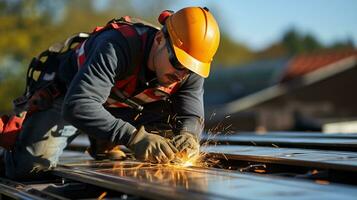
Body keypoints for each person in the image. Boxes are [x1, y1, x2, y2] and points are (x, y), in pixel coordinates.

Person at [0, 6, 220, 180]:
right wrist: (134, 137)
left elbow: (191, 116)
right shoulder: (117, 47)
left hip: (120, 102)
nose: (183, 74)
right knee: (30, 169)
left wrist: (189, 136)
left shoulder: (190, 66)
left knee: (172, 132)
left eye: (191, 70)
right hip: (70, 95)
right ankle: (9, 158)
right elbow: (78, 105)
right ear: (160, 40)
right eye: (178, 64)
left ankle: (103, 139)